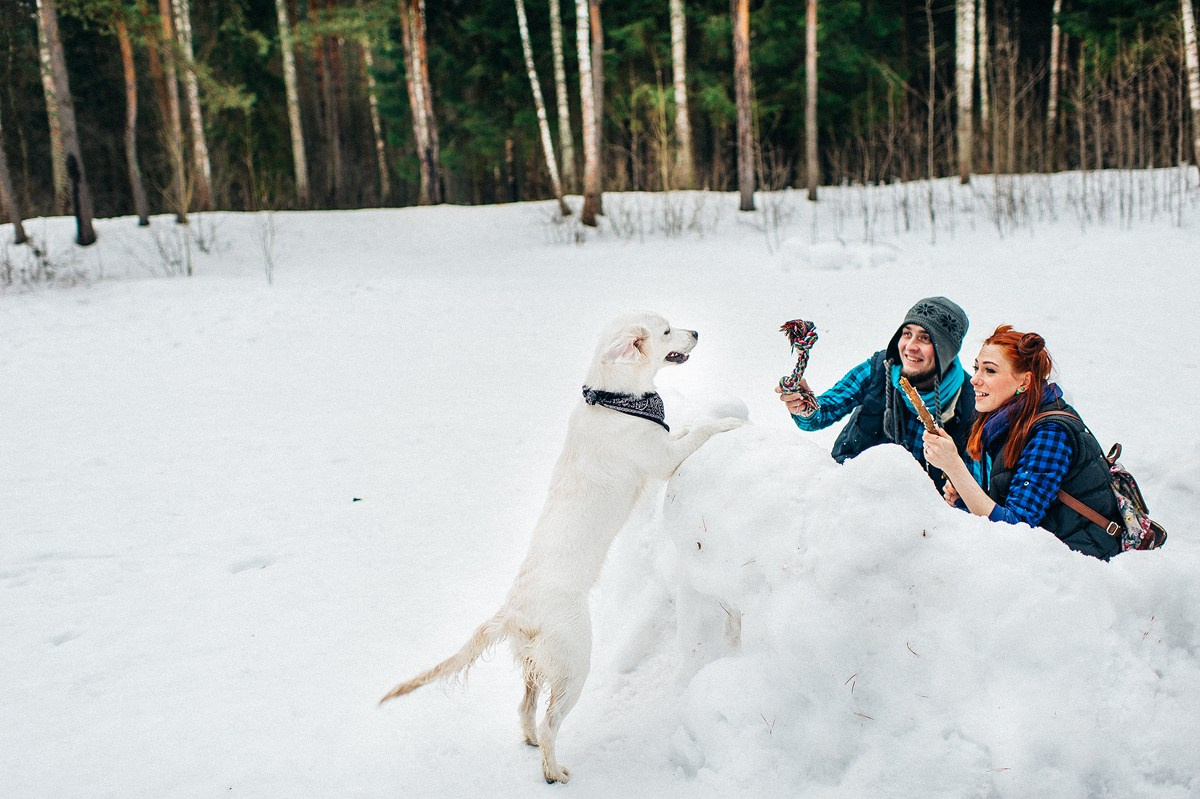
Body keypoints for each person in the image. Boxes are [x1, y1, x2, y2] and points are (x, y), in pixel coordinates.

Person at [922, 325, 1121, 560]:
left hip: (1084, 572)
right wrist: (965, 497)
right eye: (977, 368)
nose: (974, 379)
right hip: (1052, 563)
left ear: (1025, 382)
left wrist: (954, 466)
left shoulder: (1051, 433)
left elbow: (1015, 531)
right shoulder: (1012, 423)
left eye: (990, 371)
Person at [777, 296, 976, 488]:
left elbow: (975, 488)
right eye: (907, 333)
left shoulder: (972, 402)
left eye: (925, 338)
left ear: (945, 350)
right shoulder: (881, 368)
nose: (910, 346)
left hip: (925, 515)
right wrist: (804, 406)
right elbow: (823, 412)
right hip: (855, 491)